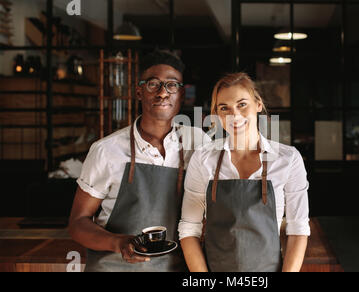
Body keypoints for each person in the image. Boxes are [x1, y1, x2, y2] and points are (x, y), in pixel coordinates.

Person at [68, 50, 209, 272]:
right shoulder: (106, 150)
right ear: (138, 92)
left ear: (181, 95)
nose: (163, 93)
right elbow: (78, 223)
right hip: (114, 267)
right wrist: (119, 243)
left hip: (176, 267)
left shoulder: (198, 143)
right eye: (153, 84)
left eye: (172, 85)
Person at [178, 72, 310, 272]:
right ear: (217, 115)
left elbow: (298, 229)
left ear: (258, 104)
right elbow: (189, 228)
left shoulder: (288, 159)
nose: (235, 115)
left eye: (242, 105)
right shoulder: (204, 158)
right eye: (224, 108)